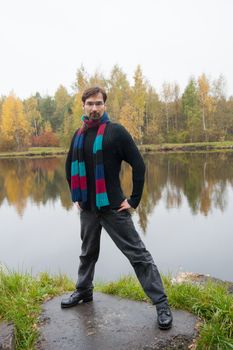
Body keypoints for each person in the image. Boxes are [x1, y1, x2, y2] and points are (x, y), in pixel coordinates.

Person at [61, 86, 173, 330]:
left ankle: (161, 304)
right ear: (83, 105)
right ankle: (83, 291)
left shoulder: (116, 132)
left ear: (105, 105)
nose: (94, 108)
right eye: (89, 103)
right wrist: (76, 196)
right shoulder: (78, 135)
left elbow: (139, 165)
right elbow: (69, 167)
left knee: (138, 255)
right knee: (87, 253)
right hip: (89, 209)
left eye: (98, 103)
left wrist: (133, 200)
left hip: (114, 209)